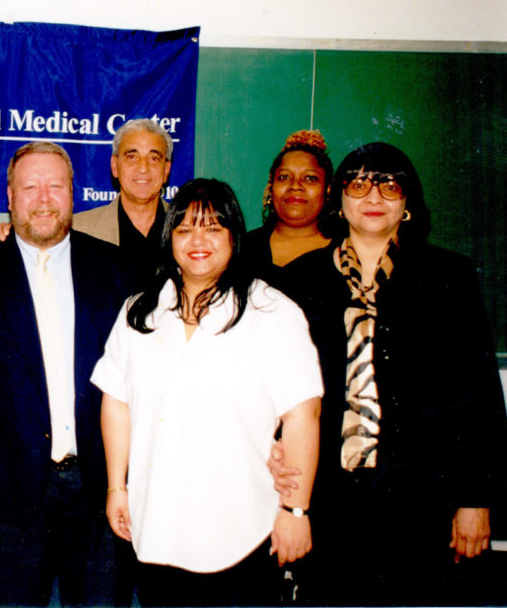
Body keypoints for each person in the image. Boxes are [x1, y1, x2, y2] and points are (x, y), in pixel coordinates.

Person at [272, 142, 507, 606]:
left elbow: (479, 393)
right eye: (358, 183)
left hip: (424, 498)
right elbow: (277, 392)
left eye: (389, 184)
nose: (373, 196)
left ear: (408, 204)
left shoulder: (449, 276)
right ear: (340, 200)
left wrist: (475, 499)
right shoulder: (299, 280)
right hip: (329, 497)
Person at [91, 178, 322, 606]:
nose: (198, 240)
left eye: (213, 227)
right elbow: (117, 403)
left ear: (235, 235)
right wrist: (116, 488)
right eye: (184, 229)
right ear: (169, 238)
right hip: (156, 526)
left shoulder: (272, 313)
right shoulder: (139, 313)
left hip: (242, 530)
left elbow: (302, 415)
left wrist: (295, 511)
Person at [0, 142, 132, 606]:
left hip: (97, 493)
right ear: (8, 195)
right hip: (3, 494)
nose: (43, 198)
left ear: (73, 194)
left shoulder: (116, 268)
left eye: (56, 186)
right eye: (30, 187)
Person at [73, 118, 173, 284]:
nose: (143, 168)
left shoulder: (187, 228)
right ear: (115, 166)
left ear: (166, 170)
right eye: (132, 157)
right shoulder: (76, 230)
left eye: (153, 158)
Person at [244, 129, 333, 288]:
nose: (295, 186)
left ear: (327, 190)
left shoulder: (346, 252)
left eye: (310, 178)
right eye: (284, 177)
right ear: (271, 187)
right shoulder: (243, 248)